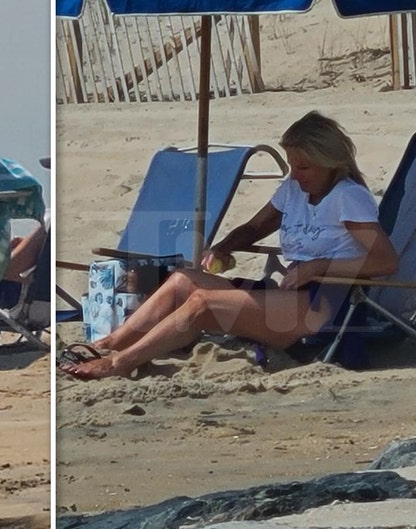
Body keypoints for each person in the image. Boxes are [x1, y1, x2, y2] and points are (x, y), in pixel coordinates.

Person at [58, 111, 399, 379]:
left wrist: (319, 266)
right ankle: (105, 345)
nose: (294, 174)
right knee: (182, 280)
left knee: (202, 303)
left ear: (330, 162)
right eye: (292, 165)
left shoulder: (348, 198)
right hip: (288, 295)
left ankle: (118, 363)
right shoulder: (296, 190)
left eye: (304, 166)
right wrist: (224, 247)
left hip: (324, 303)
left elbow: (385, 263)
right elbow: (255, 226)